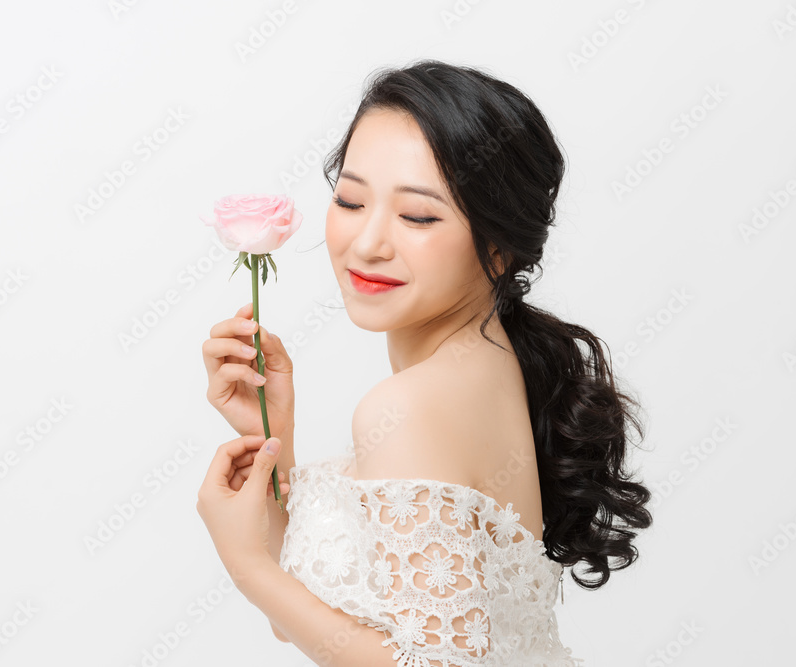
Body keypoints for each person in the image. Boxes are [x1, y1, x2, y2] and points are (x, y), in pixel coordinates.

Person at [196, 59, 653, 666]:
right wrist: (272, 441)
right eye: (351, 200)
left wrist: (248, 567)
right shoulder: (492, 367)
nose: (367, 243)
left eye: (418, 216)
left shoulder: (410, 407)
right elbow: (333, 624)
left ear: (498, 245)